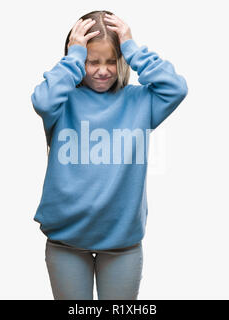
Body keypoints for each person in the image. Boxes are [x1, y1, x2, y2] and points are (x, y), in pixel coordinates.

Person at [31, 10, 188, 300]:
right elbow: (42, 100)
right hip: (66, 240)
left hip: (121, 242)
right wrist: (73, 57)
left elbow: (176, 88)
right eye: (92, 61)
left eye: (111, 61)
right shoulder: (62, 100)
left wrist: (132, 48)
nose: (102, 70)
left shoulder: (141, 101)